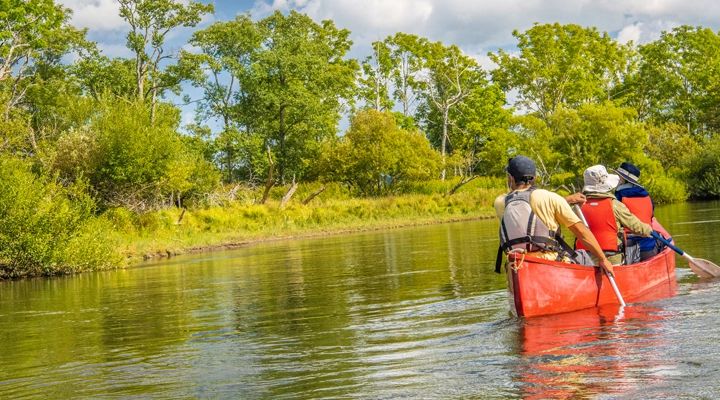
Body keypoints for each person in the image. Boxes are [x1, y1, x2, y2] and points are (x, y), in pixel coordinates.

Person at [494, 156, 615, 276]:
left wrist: (567, 199)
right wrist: (603, 259)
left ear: (510, 178)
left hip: (517, 265)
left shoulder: (501, 202)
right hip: (549, 264)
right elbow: (581, 232)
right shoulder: (550, 198)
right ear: (535, 177)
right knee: (583, 255)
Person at [577, 165, 653, 265]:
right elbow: (637, 227)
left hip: (585, 258)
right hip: (611, 258)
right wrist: (649, 230)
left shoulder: (578, 206)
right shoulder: (615, 205)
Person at [614, 162, 659, 260]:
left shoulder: (617, 198)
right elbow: (651, 216)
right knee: (660, 240)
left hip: (628, 247)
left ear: (623, 180)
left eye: (618, 176)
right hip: (648, 246)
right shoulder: (647, 195)